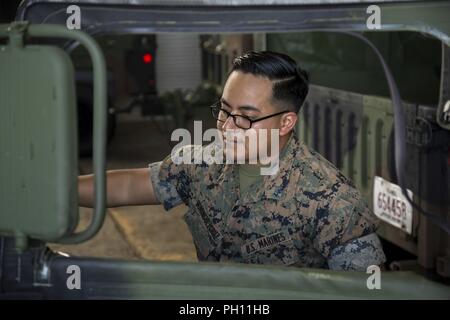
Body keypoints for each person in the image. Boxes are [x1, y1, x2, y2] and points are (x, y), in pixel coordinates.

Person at [79, 51, 386, 271]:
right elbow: (129, 186)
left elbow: (364, 292)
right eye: (225, 110)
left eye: (246, 118)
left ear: (286, 122)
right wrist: (52, 190)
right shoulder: (202, 163)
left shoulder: (331, 199)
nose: (226, 126)